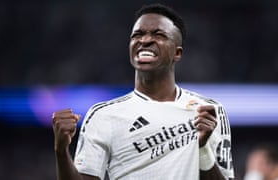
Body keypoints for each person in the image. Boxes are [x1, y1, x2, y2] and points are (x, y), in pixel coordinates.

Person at [52, 3, 234, 180]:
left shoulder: (209, 111)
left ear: (177, 53)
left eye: (159, 34)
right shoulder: (103, 115)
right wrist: (61, 152)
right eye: (137, 35)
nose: (145, 40)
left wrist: (203, 149)